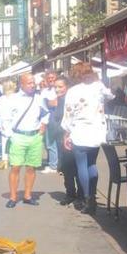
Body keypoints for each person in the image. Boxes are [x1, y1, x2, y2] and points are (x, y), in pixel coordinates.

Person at [62, 63, 115, 215]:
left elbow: (68, 114)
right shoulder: (98, 86)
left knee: (81, 166)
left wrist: (66, 133)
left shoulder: (73, 91)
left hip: (80, 131)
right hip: (96, 131)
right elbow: (111, 96)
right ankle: (92, 194)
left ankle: (88, 198)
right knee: (92, 164)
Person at [0, 73, 49, 208]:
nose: (32, 85)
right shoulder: (13, 99)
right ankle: (13, 197)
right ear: (21, 84)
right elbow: (5, 118)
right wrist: (10, 135)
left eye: (33, 82)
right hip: (18, 136)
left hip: (35, 136)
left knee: (31, 168)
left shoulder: (39, 98)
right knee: (15, 167)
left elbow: (46, 113)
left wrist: (43, 126)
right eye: (29, 83)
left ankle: (27, 195)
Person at [49, 76, 82, 207]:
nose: (57, 89)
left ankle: (81, 196)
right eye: (55, 87)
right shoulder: (59, 100)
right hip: (60, 138)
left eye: (60, 86)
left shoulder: (69, 100)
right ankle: (70, 193)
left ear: (67, 87)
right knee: (66, 169)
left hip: (70, 138)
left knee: (76, 167)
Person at [0, 80, 18, 170]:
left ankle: (5, 161)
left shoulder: (2, 98)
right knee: (15, 141)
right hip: (15, 122)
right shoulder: (17, 97)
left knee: (5, 142)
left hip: (4, 122)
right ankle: (15, 159)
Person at [40, 70, 59, 174]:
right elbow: (46, 104)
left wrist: (50, 102)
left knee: (52, 142)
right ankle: (52, 161)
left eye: (53, 77)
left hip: (55, 118)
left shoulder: (59, 89)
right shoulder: (45, 91)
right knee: (47, 142)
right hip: (46, 118)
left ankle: (53, 165)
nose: (51, 79)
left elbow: (55, 103)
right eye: (49, 78)